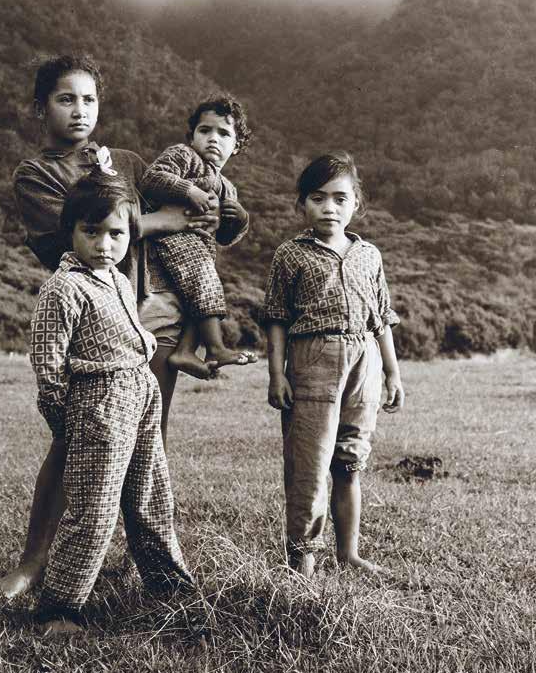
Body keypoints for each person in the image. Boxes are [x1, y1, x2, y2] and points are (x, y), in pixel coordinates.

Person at [0, 54, 215, 601]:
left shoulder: (129, 162)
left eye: (88, 99)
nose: (79, 110)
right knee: (72, 440)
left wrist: (209, 196)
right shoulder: (36, 174)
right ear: (40, 108)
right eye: (65, 99)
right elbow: (69, 235)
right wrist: (155, 219)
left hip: (147, 315)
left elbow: (190, 212)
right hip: (90, 322)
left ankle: (139, 562)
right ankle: (32, 565)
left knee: (146, 444)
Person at [31, 168, 193, 634]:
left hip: (140, 395)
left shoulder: (118, 280)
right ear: (71, 230)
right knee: (95, 509)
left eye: (116, 233)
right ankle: (60, 608)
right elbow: (48, 364)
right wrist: (67, 420)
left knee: (151, 497)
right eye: (92, 231)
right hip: (98, 403)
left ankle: (171, 589)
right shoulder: (64, 287)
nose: (104, 244)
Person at [261, 152, 405, 578]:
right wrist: (276, 373)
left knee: (350, 458)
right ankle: (302, 562)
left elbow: (382, 318)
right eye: (318, 198)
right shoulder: (291, 255)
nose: (329, 208)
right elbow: (276, 318)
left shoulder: (369, 255)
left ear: (356, 203)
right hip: (313, 359)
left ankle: (349, 553)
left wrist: (393, 372)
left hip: (365, 360)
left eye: (340, 198)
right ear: (302, 203)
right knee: (309, 465)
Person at [139, 95, 257, 373]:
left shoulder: (228, 188)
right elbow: (152, 178)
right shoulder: (184, 155)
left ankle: (185, 351)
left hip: (201, 251)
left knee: (205, 292)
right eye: (205, 130)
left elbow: (225, 237)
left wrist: (240, 219)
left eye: (224, 133)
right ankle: (215, 347)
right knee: (205, 285)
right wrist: (189, 191)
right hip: (170, 239)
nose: (213, 138)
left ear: (236, 146)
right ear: (192, 136)